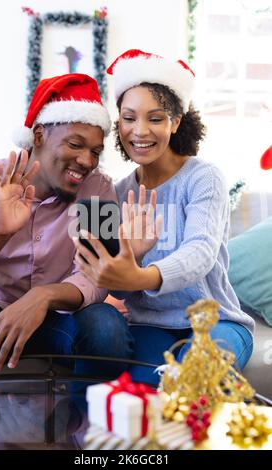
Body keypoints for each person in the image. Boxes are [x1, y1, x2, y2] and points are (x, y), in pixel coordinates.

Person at [74, 49, 255, 386]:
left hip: (217, 321)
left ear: (175, 122)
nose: (139, 131)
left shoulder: (204, 177)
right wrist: (131, 262)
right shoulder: (113, 192)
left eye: (155, 118)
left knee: (194, 386)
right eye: (129, 118)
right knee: (140, 400)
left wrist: (140, 277)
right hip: (149, 326)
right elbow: (111, 279)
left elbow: (200, 254)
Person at [0, 73, 134, 380]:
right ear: (38, 136)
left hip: (63, 317)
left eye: (96, 152)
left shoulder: (99, 189)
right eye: (76, 144)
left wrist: (43, 296)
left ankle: (89, 424)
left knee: (106, 327)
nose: (87, 161)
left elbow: (97, 277)